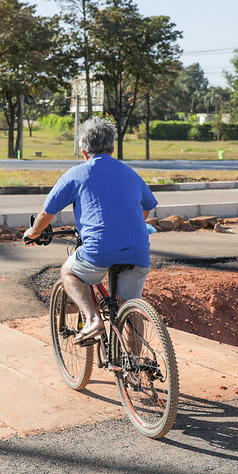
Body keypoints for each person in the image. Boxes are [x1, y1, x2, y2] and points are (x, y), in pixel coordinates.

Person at [23, 117, 157, 343]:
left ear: (83, 151)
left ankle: (93, 320)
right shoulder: (130, 173)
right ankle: (134, 371)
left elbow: (46, 213)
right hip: (139, 251)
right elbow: (148, 206)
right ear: (113, 149)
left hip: (99, 250)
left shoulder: (76, 174)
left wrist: (33, 233)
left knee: (69, 272)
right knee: (130, 310)